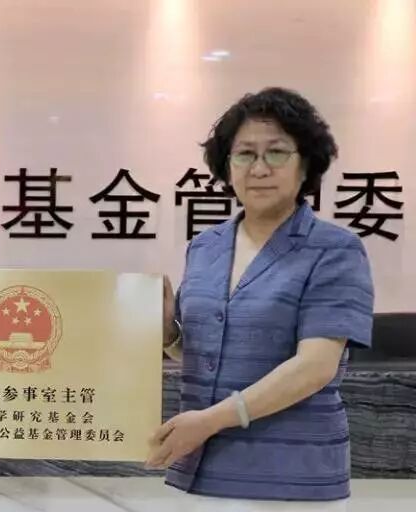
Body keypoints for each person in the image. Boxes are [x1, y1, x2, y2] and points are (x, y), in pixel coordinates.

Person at [147, 87, 374, 503]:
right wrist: (168, 333)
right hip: (200, 467)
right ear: (226, 165)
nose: (259, 168)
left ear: (306, 164)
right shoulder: (206, 247)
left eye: (277, 153)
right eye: (245, 154)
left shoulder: (335, 250)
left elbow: (315, 367)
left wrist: (209, 421)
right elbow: (203, 355)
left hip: (293, 475)